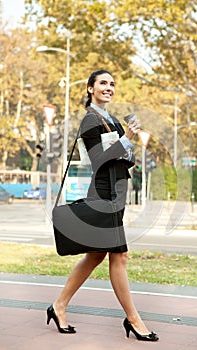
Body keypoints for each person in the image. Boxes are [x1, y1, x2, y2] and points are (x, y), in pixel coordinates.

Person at [47, 69, 159, 342]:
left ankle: (58, 306)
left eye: (112, 83)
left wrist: (127, 142)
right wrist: (126, 140)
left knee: (96, 255)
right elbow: (98, 161)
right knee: (118, 255)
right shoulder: (90, 120)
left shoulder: (113, 120)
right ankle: (133, 319)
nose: (109, 87)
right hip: (103, 193)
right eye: (103, 83)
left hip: (116, 191)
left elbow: (125, 158)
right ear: (90, 88)